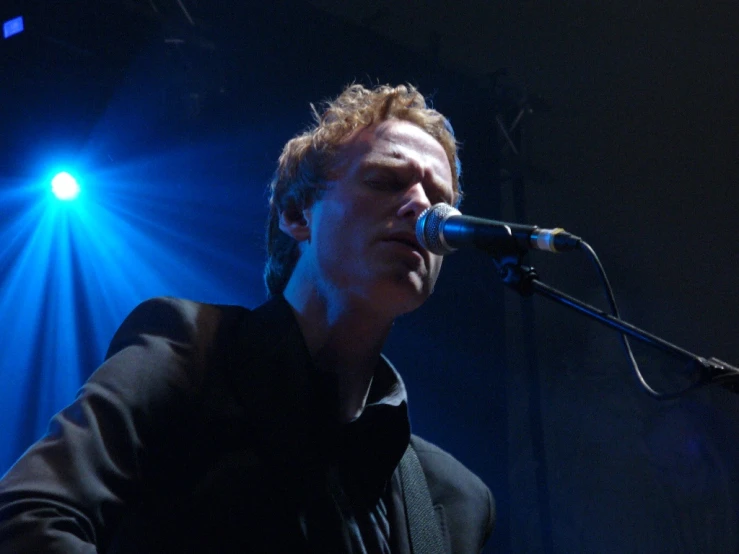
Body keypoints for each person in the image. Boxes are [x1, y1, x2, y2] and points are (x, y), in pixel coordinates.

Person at [0, 83, 494, 553]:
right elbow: (29, 515)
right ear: (299, 213)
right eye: (385, 180)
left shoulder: (453, 497)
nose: (422, 208)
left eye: (441, 202)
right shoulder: (187, 354)